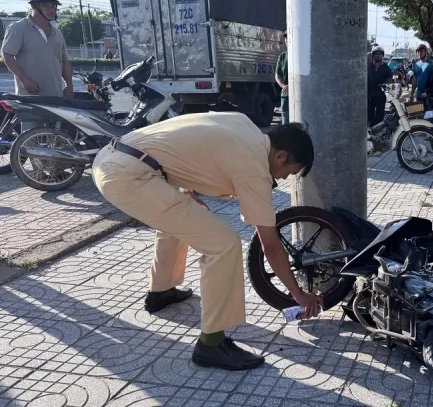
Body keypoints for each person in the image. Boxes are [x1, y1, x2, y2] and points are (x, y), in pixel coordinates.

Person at [92, 114, 323, 371]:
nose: (281, 180)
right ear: (280, 156)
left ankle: (161, 292)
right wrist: (297, 294)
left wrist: (185, 187)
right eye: (287, 173)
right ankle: (211, 344)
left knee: (182, 215)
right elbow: (269, 244)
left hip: (113, 158)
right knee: (224, 244)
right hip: (129, 176)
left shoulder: (244, 125)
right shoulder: (255, 166)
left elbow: (191, 144)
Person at [1, 0, 73, 131]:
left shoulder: (57, 33)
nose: (52, 10)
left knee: (56, 138)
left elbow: (65, 61)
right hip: (30, 96)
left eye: (54, 6)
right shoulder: (18, 28)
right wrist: (24, 79)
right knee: (31, 139)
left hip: (55, 96)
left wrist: (69, 87)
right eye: (47, 6)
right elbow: (7, 55)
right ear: (34, 6)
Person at [367, 45, 392, 127]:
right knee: (369, 115)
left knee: (380, 116)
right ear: (373, 55)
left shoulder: (386, 68)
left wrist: (386, 85)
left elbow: (389, 81)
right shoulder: (368, 67)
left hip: (381, 95)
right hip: (370, 95)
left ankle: (378, 134)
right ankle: (369, 133)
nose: (378, 55)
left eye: (380, 53)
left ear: (382, 55)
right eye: (376, 53)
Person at [274, 33, 289, 125]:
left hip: (300, 97)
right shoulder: (282, 57)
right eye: (286, 40)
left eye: (289, 39)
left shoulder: (300, 56)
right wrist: (284, 86)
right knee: (285, 124)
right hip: (286, 96)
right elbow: (277, 75)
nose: (287, 41)